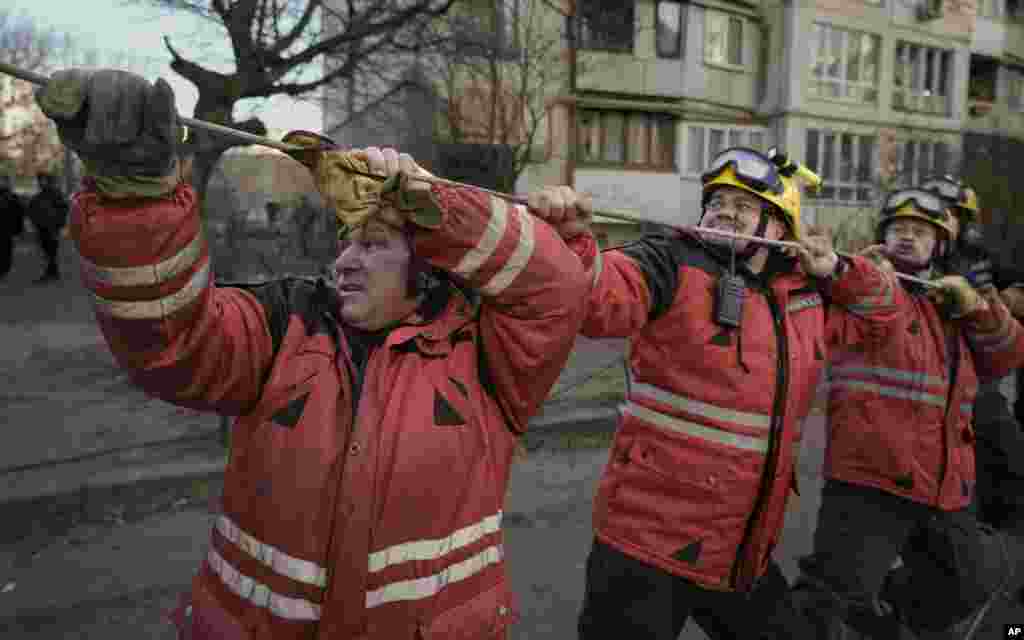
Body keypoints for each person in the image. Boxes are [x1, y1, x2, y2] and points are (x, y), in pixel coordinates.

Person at [34, 68, 591, 639]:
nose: (344, 261)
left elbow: (558, 287)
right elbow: (169, 347)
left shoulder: (486, 357)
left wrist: (437, 205)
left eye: (372, 244)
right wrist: (136, 198)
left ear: (427, 270)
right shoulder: (282, 323)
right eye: (344, 243)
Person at [530, 146, 905, 639]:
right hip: (644, 549)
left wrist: (839, 270)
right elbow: (594, 296)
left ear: (780, 228)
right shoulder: (671, 261)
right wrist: (567, 240)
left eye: (743, 204)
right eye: (717, 202)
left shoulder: (808, 297)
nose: (724, 211)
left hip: (739, 551)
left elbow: (884, 316)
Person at [793, 187, 1024, 639]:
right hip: (870, 478)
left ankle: (886, 620)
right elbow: (857, 283)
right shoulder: (866, 284)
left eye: (920, 232)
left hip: (942, 485)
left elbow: (1008, 354)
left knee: (966, 584)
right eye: (898, 229)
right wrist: (840, 266)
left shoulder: (953, 299)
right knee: (829, 602)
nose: (906, 237)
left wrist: (978, 307)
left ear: (940, 246)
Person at [26, 171, 69, 283]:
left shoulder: (54, 194)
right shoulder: (40, 196)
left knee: (50, 251)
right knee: (47, 251)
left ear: (48, 181)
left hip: (51, 227)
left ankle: (51, 273)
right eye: (40, 180)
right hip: (42, 227)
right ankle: (52, 272)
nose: (41, 183)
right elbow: (31, 209)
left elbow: (63, 210)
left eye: (43, 180)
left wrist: (59, 225)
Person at [0, 173, 26, 279]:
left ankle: (4, 269)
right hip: (6, 228)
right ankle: (3, 269)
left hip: (7, 229)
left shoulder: (12, 197)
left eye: (4, 181)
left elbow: (19, 214)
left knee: (6, 250)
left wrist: (19, 229)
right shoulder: (12, 197)